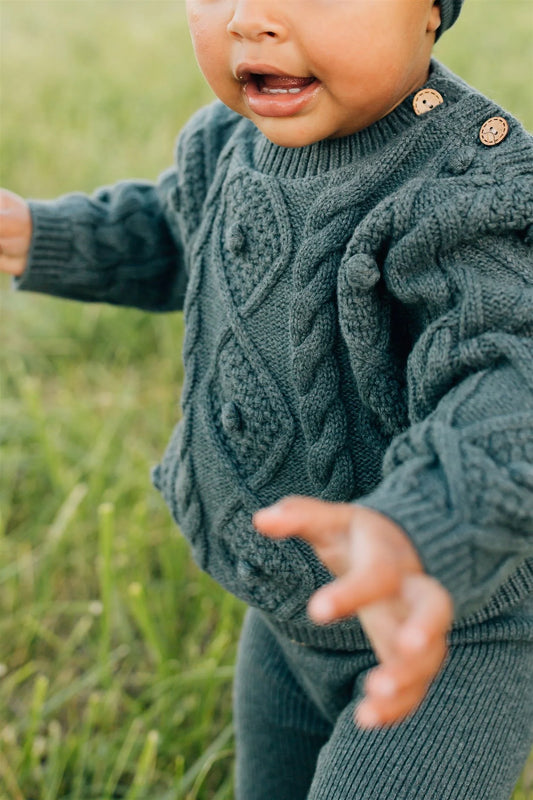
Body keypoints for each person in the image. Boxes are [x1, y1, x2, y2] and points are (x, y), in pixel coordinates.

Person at [1, 0, 532, 797]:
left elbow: (506, 382)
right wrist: (38, 235)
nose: (251, 19)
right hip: (288, 607)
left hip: (450, 620)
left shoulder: (470, 188)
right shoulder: (228, 142)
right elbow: (181, 237)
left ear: (429, 9)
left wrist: (415, 529)